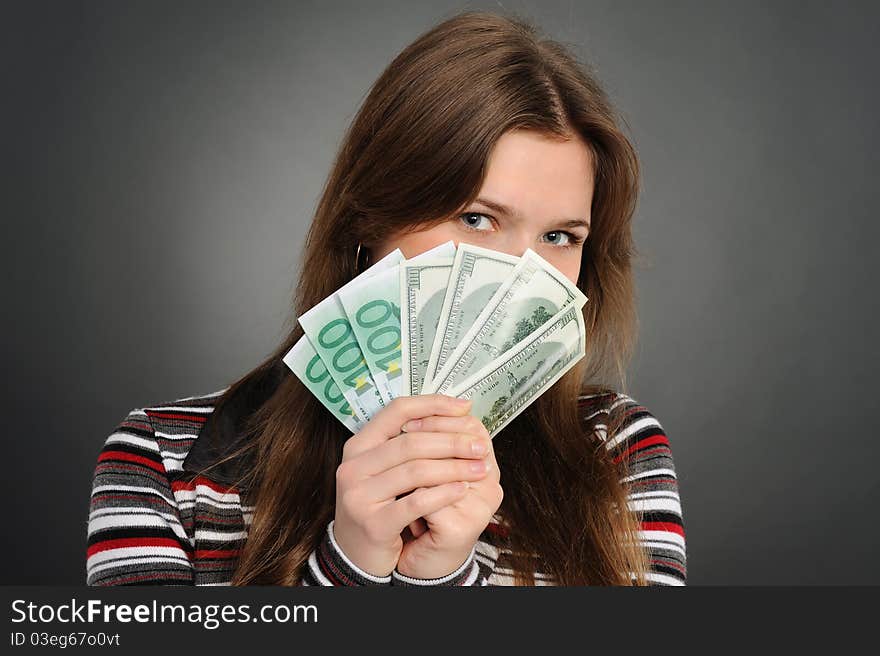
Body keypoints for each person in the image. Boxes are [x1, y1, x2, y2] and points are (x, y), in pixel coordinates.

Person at [86, 10, 686, 586]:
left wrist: (445, 578)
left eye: (560, 237)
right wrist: (347, 568)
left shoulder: (617, 458)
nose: (519, 280)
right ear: (369, 223)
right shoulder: (164, 464)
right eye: (477, 219)